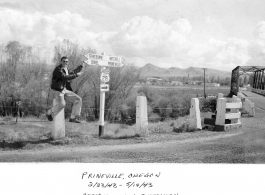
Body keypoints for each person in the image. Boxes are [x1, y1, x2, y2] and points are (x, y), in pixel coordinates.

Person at [46, 56, 83, 123]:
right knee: (62, 104)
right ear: (61, 61)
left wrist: (80, 67)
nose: (65, 62)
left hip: (64, 89)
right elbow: (65, 77)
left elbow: (72, 72)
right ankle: (49, 112)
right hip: (58, 90)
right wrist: (76, 75)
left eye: (66, 61)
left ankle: (73, 117)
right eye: (64, 61)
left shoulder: (66, 69)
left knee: (78, 100)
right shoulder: (58, 69)